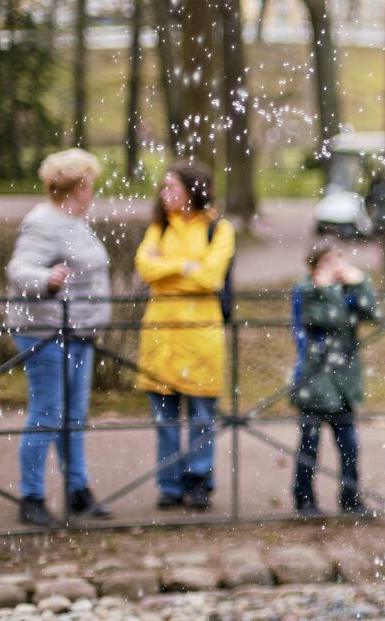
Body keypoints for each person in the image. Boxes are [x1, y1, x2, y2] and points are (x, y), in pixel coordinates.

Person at [5, 149, 113, 527]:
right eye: (91, 186)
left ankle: (77, 491)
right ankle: (31, 496)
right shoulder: (43, 222)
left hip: (78, 332)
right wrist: (46, 280)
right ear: (79, 187)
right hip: (46, 333)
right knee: (48, 414)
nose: (93, 192)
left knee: (73, 415)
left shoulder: (74, 221)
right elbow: (19, 269)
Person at [134, 160, 234, 511]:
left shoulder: (218, 228)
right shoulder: (158, 228)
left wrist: (170, 271)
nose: (165, 194)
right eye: (163, 188)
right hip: (161, 333)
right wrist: (182, 266)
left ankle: (199, 479)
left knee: (203, 414)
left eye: (172, 188)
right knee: (164, 416)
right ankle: (169, 483)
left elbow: (210, 276)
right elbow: (144, 268)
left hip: (199, 334)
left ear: (193, 190)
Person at [289, 243, 379, 517]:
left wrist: (362, 282)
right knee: (309, 445)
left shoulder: (346, 290)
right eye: (329, 261)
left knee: (350, 446)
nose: (337, 267)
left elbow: (372, 312)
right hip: (315, 380)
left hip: (343, 384)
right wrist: (326, 289)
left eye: (340, 260)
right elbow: (331, 319)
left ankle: (350, 498)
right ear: (315, 266)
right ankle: (304, 499)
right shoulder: (306, 291)